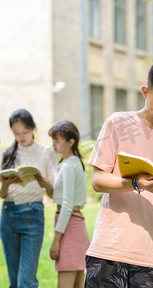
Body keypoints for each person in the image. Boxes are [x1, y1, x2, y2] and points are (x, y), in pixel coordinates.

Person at [86, 60, 153, 287]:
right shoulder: (118, 123)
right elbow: (97, 180)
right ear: (145, 92)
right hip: (111, 249)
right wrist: (136, 183)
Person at [0, 109, 57, 288]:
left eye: (25, 132)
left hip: (33, 214)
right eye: (16, 133)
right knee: (14, 281)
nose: (21, 137)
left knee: (27, 280)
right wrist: (7, 183)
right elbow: (1, 194)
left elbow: (53, 194)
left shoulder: (46, 152)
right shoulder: (6, 154)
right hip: (8, 214)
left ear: (33, 129)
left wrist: (43, 183)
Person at [48, 120, 90, 288]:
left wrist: (56, 239)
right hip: (76, 224)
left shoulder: (68, 166)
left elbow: (66, 204)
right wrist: (46, 186)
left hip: (69, 226)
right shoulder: (75, 163)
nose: (54, 145)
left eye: (57, 140)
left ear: (70, 142)